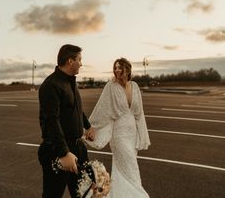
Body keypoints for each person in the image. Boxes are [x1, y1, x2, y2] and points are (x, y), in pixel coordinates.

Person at [86, 57, 151, 198]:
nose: (117, 70)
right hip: (119, 133)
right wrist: (90, 127)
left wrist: (141, 134)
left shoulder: (135, 86)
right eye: (115, 68)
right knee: (129, 163)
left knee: (130, 165)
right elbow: (101, 109)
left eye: (120, 67)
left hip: (132, 133)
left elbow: (139, 113)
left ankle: (119, 193)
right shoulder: (111, 86)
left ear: (127, 69)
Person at [38, 44, 95, 198]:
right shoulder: (51, 85)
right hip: (58, 151)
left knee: (85, 193)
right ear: (70, 61)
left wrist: (88, 126)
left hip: (78, 149)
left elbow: (76, 108)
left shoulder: (70, 81)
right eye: (79, 60)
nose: (81, 64)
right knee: (52, 195)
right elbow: (51, 122)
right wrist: (64, 153)